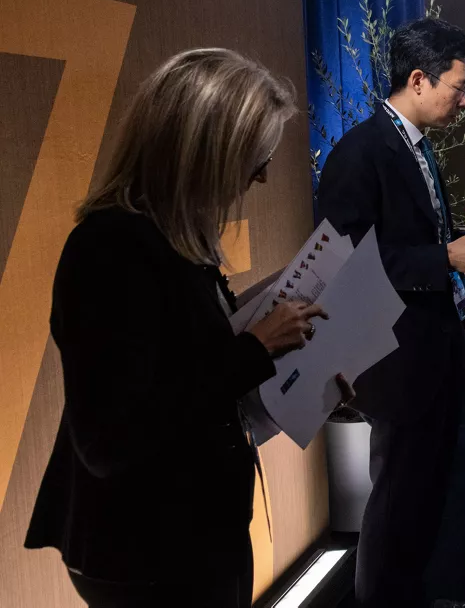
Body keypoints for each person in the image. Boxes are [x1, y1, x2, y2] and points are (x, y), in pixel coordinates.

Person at [24, 48, 335, 607]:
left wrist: (307, 377)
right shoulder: (108, 249)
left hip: (194, 534)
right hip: (144, 552)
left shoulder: (174, 240)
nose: (262, 176)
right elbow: (110, 440)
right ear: (201, 152)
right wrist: (253, 349)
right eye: (252, 158)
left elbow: (192, 373)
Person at [317, 17, 465, 606]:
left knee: (424, 492)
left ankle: (410, 595)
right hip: (395, 359)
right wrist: (442, 257)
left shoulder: (414, 145)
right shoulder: (360, 152)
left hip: (433, 349)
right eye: (460, 86)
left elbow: (414, 235)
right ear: (420, 79)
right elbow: (343, 261)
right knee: (397, 498)